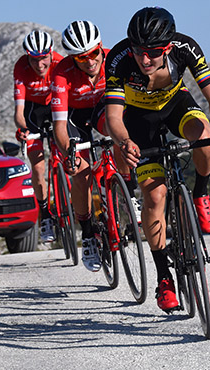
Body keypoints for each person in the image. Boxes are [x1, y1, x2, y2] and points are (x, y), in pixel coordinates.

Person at [105, 7, 210, 312]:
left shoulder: (186, 47)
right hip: (137, 121)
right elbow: (112, 115)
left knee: (203, 136)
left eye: (153, 52)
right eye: (139, 51)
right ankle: (164, 276)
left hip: (175, 105)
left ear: (169, 47)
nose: (144, 59)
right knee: (155, 195)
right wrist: (124, 141)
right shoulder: (119, 59)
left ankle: (200, 193)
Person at [51, 20, 137, 272]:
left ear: (101, 47)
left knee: (118, 136)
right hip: (74, 120)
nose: (89, 61)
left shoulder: (114, 60)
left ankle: (129, 193)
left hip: (103, 111)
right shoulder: (61, 73)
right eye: (80, 58)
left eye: (93, 53)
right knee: (81, 172)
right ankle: (88, 234)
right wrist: (70, 153)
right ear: (72, 58)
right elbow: (58, 125)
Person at [14, 29, 63, 243]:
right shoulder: (21, 67)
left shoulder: (60, 64)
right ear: (27, 58)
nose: (40, 65)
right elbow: (19, 112)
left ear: (51, 53)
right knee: (38, 167)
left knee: (66, 154)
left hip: (56, 109)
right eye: (34, 60)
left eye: (44, 58)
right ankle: (46, 215)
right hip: (32, 113)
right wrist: (24, 130)